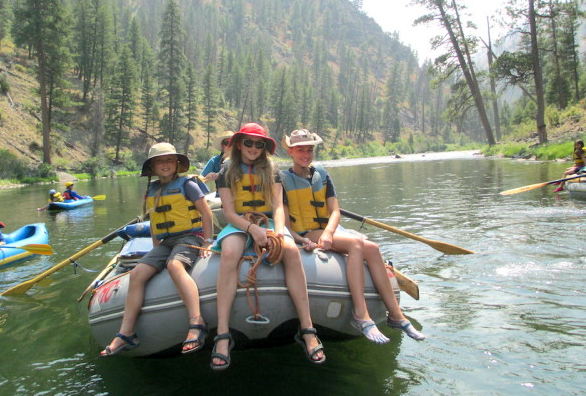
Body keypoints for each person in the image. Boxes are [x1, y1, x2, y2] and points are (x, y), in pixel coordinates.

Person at [280, 129, 425, 344]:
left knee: (373, 249)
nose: (306, 154)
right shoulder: (282, 180)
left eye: (309, 150)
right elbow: (283, 220)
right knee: (357, 244)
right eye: (300, 150)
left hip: (327, 230)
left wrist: (329, 232)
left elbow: (335, 211)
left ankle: (396, 315)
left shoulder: (322, 174)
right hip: (307, 232)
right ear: (291, 151)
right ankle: (361, 314)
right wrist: (300, 240)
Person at [211, 123, 326, 371]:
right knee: (230, 253)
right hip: (240, 222)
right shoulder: (225, 172)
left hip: (270, 221)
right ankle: (222, 335)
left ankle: (307, 329)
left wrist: (277, 231)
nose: (253, 148)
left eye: (259, 144)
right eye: (249, 143)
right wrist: (252, 229)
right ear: (239, 144)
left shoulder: (272, 170)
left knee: (292, 251)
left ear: (264, 147)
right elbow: (229, 213)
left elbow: (276, 207)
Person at [101, 143, 214, 357]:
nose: (165, 164)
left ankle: (197, 321)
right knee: (137, 274)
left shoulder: (188, 184)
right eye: (160, 161)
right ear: (152, 166)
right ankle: (127, 333)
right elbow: (154, 221)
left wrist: (207, 241)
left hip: (191, 236)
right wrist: (156, 251)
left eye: (169, 160)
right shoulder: (152, 190)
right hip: (166, 242)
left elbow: (206, 213)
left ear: (177, 163)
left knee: (174, 265)